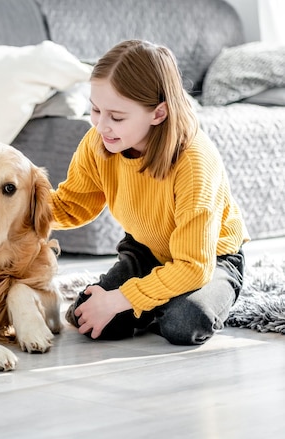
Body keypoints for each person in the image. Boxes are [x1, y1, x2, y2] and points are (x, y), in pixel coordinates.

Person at [51, 39, 249, 345]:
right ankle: (158, 297)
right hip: (147, 250)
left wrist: (120, 299)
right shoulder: (99, 142)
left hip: (210, 258)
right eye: (95, 110)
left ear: (158, 114)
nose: (101, 126)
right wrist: (14, 210)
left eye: (116, 117)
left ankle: (175, 300)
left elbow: (193, 267)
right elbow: (70, 206)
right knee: (85, 318)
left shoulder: (195, 162)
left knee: (184, 321)